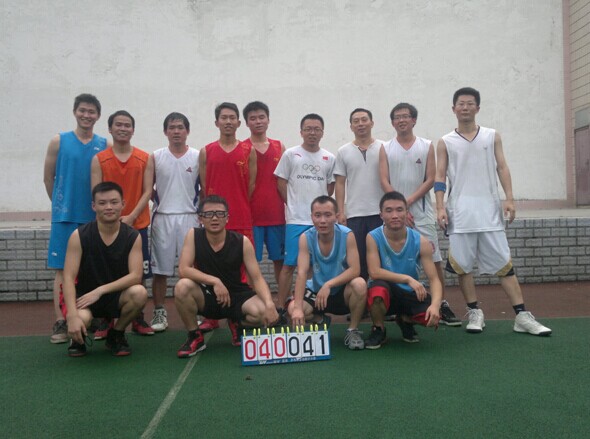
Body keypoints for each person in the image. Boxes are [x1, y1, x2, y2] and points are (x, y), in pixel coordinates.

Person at [434, 87, 551, 336]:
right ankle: (474, 312)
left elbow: (502, 167)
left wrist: (509, 198)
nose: (465, 107)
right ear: (453, 108)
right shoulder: (445, 141)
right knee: (463, 266)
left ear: (477, 107)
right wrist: (440, 206)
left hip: (489, 213)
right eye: (461, 103)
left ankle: (522, 316)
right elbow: (440, 175)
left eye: (470, 103)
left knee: (504, 265)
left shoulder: (491, 136)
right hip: (460, 215)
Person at [379, 102, 460, 326]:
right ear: (392, 122)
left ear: (414, 120)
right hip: (394, 214)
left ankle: (440, 303)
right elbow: (384, 179)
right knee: (390, 261)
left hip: (421, 214)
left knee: (434, 260)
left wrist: (407, 204)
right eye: (397, 117)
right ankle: (393, 305)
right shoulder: (385, 147)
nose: (401, 120)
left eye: (405, 116)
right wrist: (398, 208)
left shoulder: (426, 146)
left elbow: (431, 178)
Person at [173, 195, 279, 357]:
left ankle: (237, 323)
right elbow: (184, 270)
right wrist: (215, 281)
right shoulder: (193, 236)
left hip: (236, 295)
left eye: (220, 214)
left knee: (263, 311)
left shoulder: (242, 242)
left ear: (227, 218)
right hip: (207, 295)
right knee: (182, 287)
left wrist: (270, 303)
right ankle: (195, 336)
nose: (215, 218)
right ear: (201, 218)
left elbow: (257, 278)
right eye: (209, 214)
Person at [43, 93, 107, 344]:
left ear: (98, 116)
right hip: (65, 218)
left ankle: (94, 316)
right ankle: (62, 319)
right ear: (75, 112)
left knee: (93, 268)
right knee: (63, 270)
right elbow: (48, 178)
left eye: (91, 112)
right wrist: (60, 205)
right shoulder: (59, 141)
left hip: (93, 218)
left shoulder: (103, 144)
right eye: (82, 110)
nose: (86, 115)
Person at [62, 182, 148, 357]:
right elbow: (68, 278)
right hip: (85, 298)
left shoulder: (132, 236)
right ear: (93, 206)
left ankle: (116, 334)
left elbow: (136, 276)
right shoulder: (79, 236)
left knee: (139, 293)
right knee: (81, 318)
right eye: (102, 203)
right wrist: (72, 316)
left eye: (114, 202)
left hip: (114, 296)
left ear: (123, 204)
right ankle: (77, 339)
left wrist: (100, 290)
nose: (108, 207)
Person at [90, 110, 155, 337]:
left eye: (127, 125)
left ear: (133, 130)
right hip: (107, 227)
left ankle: (138, 317)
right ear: (110, 128)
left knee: (139, 274)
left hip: (137, 225)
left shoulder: (145, 158)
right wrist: (113, 217)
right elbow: (96, 192)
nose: (123, 128)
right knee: (108, 272)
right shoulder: (99, 159)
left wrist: (131, 217)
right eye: (118, 124)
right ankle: (106, 319)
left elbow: (148, 191)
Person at [197, 102, 257, 333]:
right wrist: (212, 213)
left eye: (232, 117)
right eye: (224, 118)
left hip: (240, 217)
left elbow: (250, 186)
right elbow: (205, 185)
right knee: (209, 266)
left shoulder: (248, 151)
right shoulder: (206, 151)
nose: (228, 121)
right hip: (213, 219)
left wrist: (237, 204)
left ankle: (236, 316)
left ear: (239, 123)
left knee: (241, 271)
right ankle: (211, 315)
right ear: (216, 122)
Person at [365, 191, 442, 349]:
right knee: (377, 290)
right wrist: (407, 279)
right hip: (387, 291)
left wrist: (435, 305)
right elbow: (374, 272)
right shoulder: (373, 237)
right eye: (389, 210)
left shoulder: (421, 241)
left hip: (408, 293)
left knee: (431, 317)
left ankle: (405, 319)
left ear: (407, 213)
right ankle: (379, 328)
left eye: (399, 210)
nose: (395, 215)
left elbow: (434, 279)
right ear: (381, 215)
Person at [274, 114, 336, 310]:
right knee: (289, 265)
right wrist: (293, 204)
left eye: (316, 129)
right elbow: (281, 182)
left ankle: (308, 305)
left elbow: (330, 187)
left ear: (322, 132)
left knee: (311, 266)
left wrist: (320, 212)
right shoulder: (290, 154)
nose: (312, 133)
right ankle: (281, 307)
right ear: (301, 132)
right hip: (296, 220)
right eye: (308, 129)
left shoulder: (329, 158)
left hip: (319, 222)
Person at [288, 196, 366, 350]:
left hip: (341, 292)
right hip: (317, 294)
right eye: (318, 215)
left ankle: (353, 330)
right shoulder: (305, 238)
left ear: (336, 216)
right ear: (312, 217)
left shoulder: (347, 235)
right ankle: (320, 319)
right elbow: (302, 273)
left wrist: (329, 284)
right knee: (292, 308)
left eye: (328, 215)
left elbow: (355, 269)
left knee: (360, 284)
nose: (322, 220)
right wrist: (297, 308)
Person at [150, 113, 200, 332]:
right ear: (165, 131)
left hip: (190, 217)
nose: (176, 131)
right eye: (172, 127)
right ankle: (159, 311)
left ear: (187, 131)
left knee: (193, 268)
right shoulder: (156, 157)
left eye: (180, 127)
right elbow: (148, 189)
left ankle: (196, 311)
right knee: (160, 271)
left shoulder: (198, 156)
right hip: (163, 218)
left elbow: (204, 186)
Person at [334, 108, 384, 281]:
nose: (360, 124)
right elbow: (340, 183)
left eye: (364, 120)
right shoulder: (343, 151)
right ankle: (361, 295)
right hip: (355, 215)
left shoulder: (384, 147)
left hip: (380, 213)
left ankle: (382, 295)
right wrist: (341, 212)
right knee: (358, 260)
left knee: (381, 259)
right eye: (356, 121)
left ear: (372, 123)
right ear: (351, 126)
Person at [242, 101, 286, 287]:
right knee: (250, 262)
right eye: (253, 118)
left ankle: (283, 299)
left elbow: (284, 181)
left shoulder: (279, 147)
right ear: (246, 123)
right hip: (251, 216)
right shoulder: (242, 148)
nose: (258, 121)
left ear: (268, 120)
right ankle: (252, 298)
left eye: (261, 117)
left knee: (280, 260)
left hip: (276, 214)